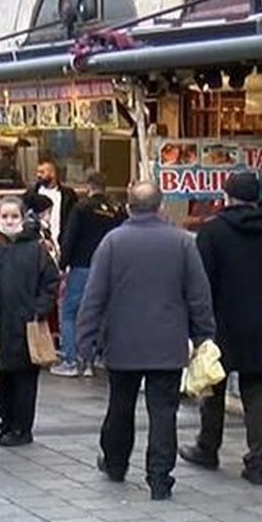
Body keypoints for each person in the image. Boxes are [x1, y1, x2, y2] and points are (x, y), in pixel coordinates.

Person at [77, 181, 215, 500]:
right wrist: (204, 335)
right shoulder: (182, 242)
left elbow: (94, 297)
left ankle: (115, 462)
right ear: (161, 206)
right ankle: (159, 477)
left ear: (128, 207)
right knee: (163, 411)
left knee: (120, 406)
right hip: (167, 343)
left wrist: (84, 342)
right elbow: (198, 295)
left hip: (123, 342)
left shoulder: (112, 242)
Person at [177, 173, 262, 486]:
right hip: (259, 321)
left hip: (220, 320)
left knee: (213, 386)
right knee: (256, 391)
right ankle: (256, 458)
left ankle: (208, 446)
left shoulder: (211, 233)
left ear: (227, 197)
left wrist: (197, 323)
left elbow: (201, 283)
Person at [0, 197, 59, 447]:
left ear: (22, 217)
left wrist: (38, 310)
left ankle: (21, 427)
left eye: (14, 216)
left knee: (24, 381)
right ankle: (5, 420)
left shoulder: (36, 250)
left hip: (26, 325)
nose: (9, 221)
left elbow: (50, 283)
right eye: (4, 216)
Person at [50, 170, 126, 378]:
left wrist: (62, 264)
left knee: (69, 312)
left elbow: (70, 237)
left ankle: (71, 359)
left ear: (88, 185)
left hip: (82, 266)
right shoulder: (115, 210)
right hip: (109, 268)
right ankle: (93, 358)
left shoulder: (81, 208)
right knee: (99, 313)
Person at [23, 160, 78, 248]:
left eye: (42, 172)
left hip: (62, 243)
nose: (38, 175)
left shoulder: (68, 195)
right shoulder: (31, 195)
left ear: (52, 173)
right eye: (37, 172)